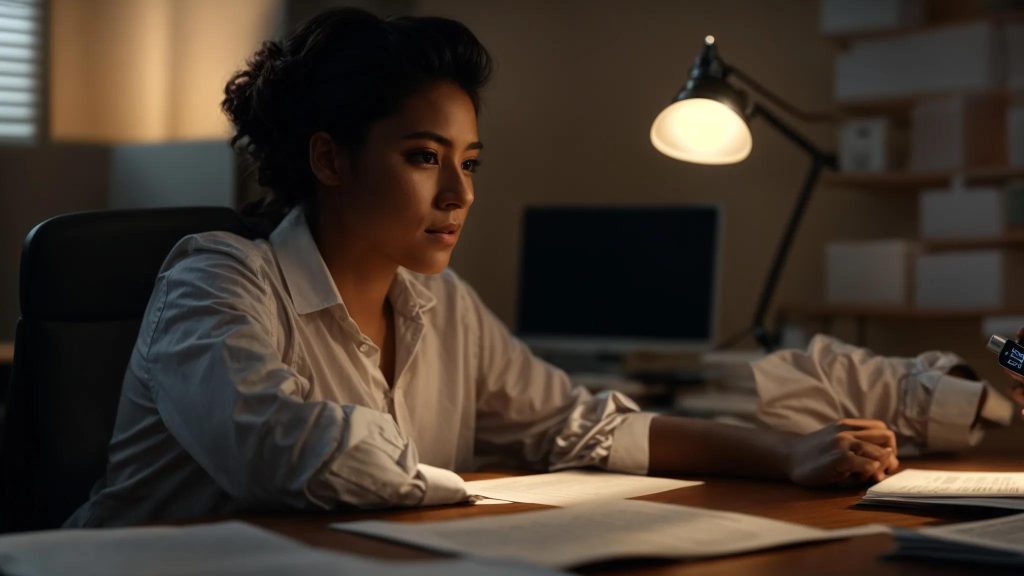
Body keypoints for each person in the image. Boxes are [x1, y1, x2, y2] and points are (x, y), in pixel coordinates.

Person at [65, 8, 898, 528]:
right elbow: (277, 456)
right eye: (424, 157)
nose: (460, 191)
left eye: (471, 160)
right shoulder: (215, 278)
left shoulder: (439, 302)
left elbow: (581, 424)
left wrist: (785, 454)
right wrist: (453, 482)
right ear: (330, 158)